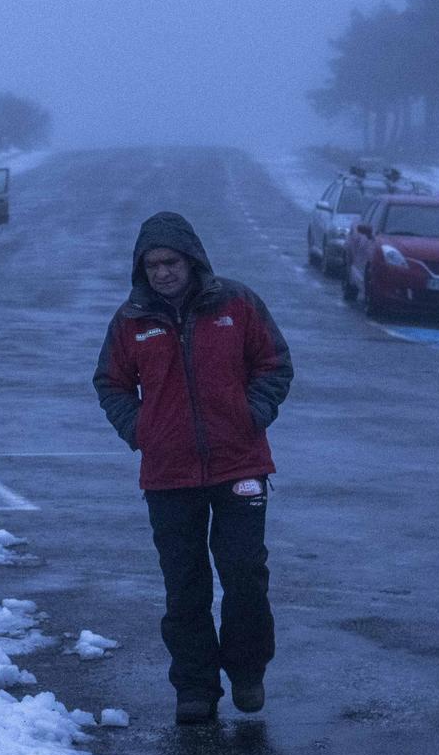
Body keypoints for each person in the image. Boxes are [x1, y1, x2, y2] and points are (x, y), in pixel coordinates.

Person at [93, 212, 293, 725]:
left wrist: (252, 414)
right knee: (185, 585)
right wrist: (142, 431)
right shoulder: (131, 321)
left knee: (246, 576)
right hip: (168, 477)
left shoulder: (237, 304)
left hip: (241, 468)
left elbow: (274, 363)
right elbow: (111, 383)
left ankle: (247, 674)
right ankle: (196, 687)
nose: (162, 272)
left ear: (192, 259)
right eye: (152, 264)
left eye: (171, 261)